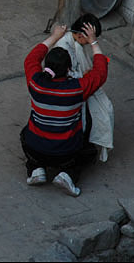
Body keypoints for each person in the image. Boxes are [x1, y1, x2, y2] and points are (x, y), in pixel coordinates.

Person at [20, 23, 108, 196]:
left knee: (25, 133)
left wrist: (54, 36)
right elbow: (101, 72)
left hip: (35, 148)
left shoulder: (35, 83)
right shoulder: (77, 89)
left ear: (47, 66)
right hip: (66, 153)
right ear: (69, 69)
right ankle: (68, 175)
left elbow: (31, 59)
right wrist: (93, 42)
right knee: (89, 151)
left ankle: (35, 168)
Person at [55, 13, 114, 162]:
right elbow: (65, 76)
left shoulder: (75, 44)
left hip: (77, 86)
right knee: (96, 113)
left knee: (103, 109)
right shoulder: (64, 46)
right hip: (68, 93)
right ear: (82, 35)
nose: (90, 42)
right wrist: (86, 74)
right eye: (90, 38)